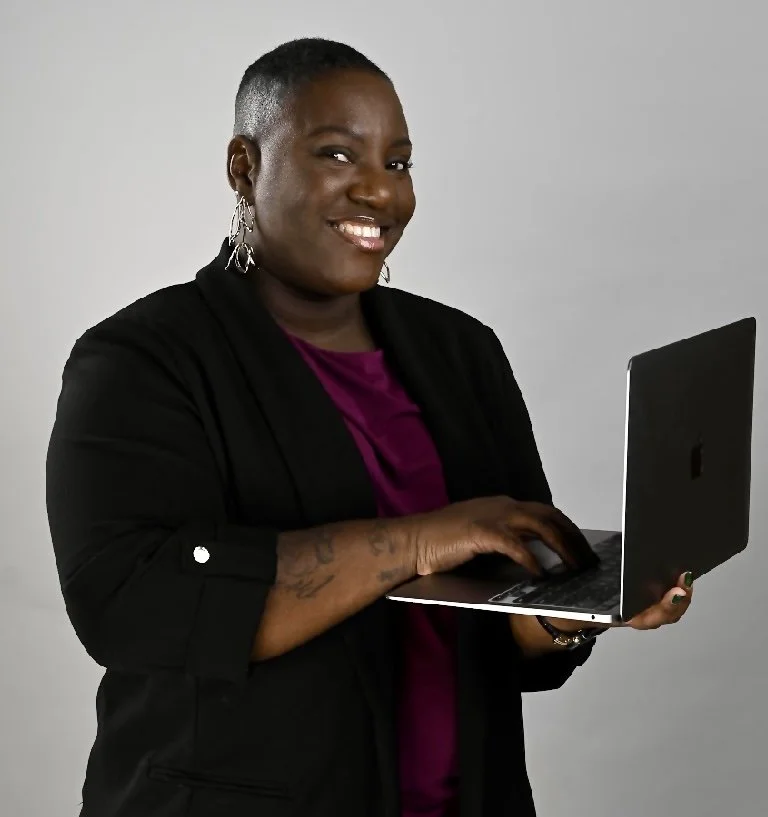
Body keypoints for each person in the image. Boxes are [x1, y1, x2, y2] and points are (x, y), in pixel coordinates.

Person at [46, 37, 694, 817]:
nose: (380, 191)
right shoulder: (143, 360)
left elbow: (509, 620)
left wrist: (569, 611)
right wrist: (418, 541)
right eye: (337, 154)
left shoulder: (460, 351)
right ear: (245, 167)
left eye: (398, 163)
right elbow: (132, 603)